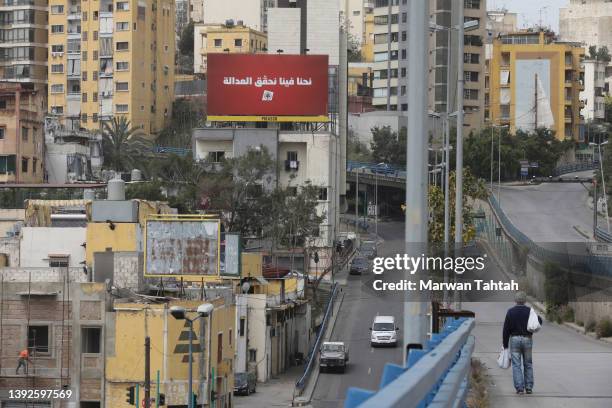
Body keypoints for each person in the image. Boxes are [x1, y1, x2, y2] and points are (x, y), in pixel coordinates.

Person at [503, 291, 542, 395]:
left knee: (516, 365)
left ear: (515, 300)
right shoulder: (530, 311)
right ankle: (529, 387)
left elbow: (506, 329)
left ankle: (520, 388)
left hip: (514, 339)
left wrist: (505, 344)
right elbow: (539, 321)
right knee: (528, 364)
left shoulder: (510, 312)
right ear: (525, 300)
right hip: (527, 339)